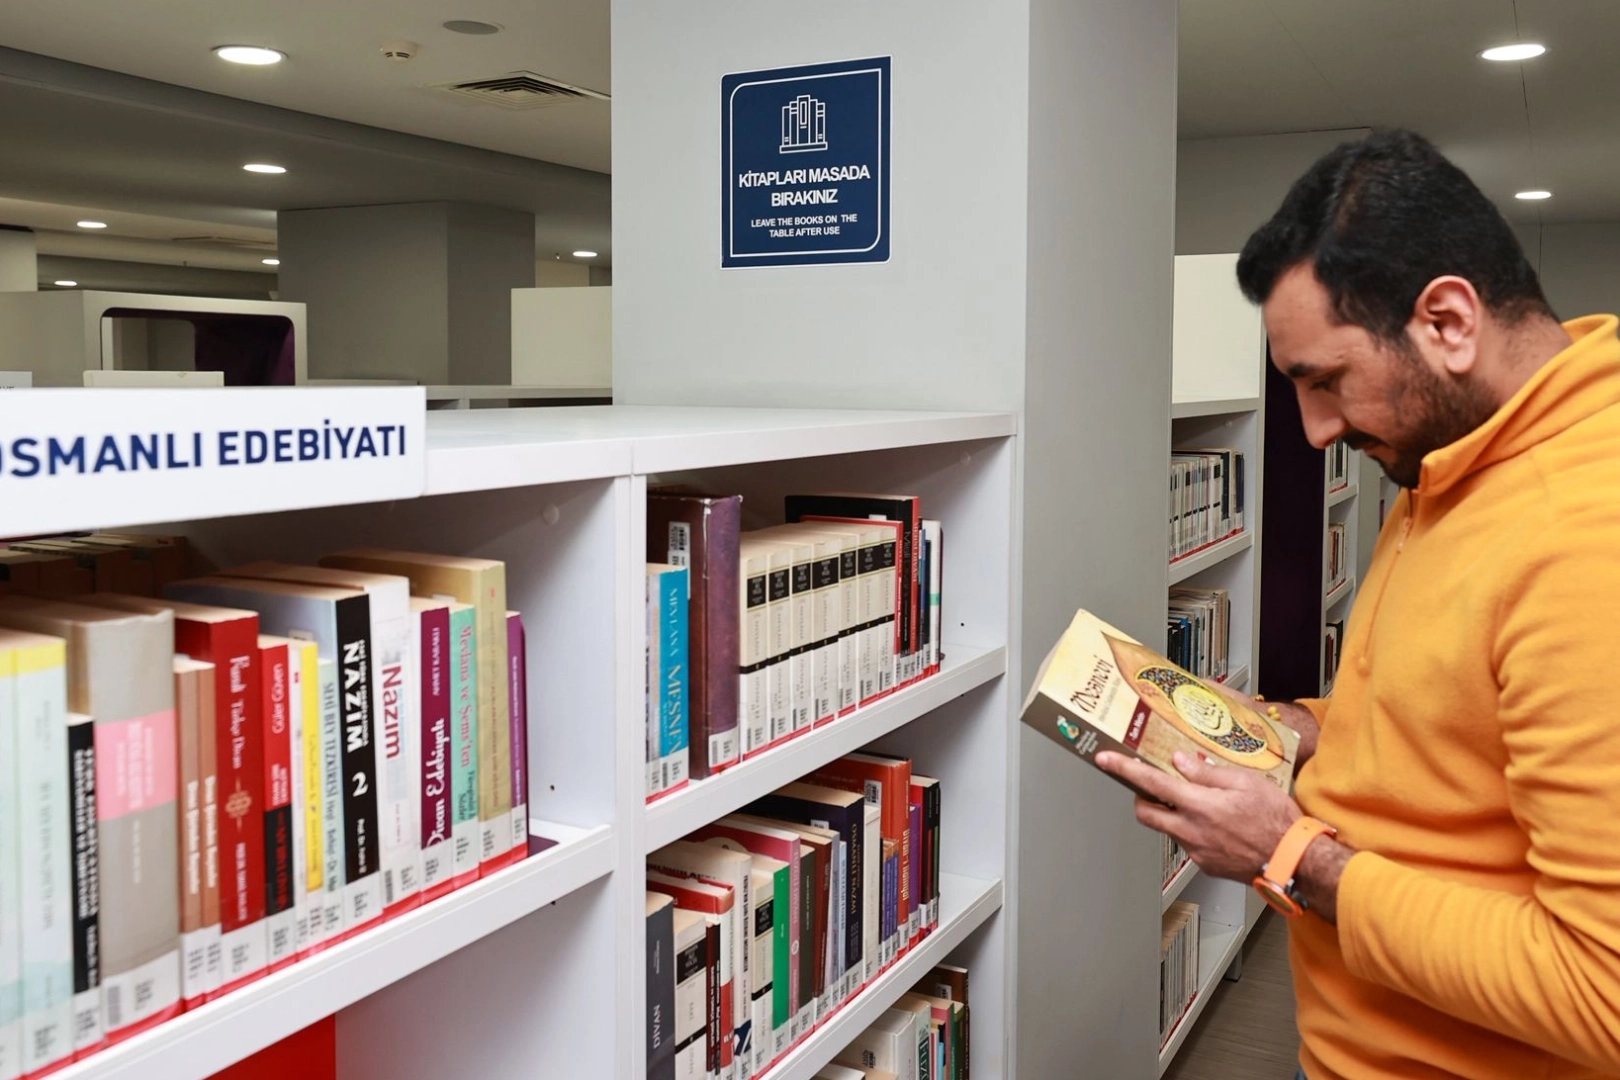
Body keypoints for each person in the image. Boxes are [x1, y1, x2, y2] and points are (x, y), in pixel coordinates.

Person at [1097, 128, 1620, 1080]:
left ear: (1448, 321)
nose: (1313, 430)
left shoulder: (1586, 538)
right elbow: (1452, 727)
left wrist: (1289, 854)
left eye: (1327, 381)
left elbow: (1603, 994)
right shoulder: (1458, 458)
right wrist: (1295, 729)